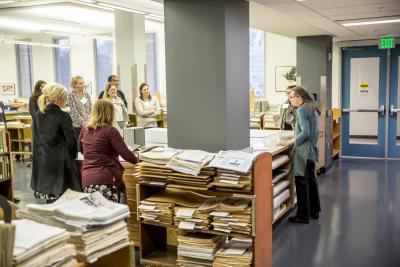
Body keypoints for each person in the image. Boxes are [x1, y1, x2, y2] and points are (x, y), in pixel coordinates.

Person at [78, 100, 138, 202]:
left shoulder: (85, 130)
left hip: (87, 180)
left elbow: (81, 149)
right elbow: (125, 154)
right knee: (110, 215)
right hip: (105, 179)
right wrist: (139, 160)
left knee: (95, 215)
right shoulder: (110, 131)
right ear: (109, 113)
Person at [31, 83, 81, 202]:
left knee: (51, 202)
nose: (66, 99)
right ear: (58, 98)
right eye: (65, 97)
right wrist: (74, 156)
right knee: (65, 202)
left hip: (43, 163)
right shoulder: (63, 116)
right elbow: (71, 142)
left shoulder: (38, 115)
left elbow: (35, 139)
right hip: (61, 165)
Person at [287, 86, 321, 224]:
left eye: (292, 97)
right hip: (312, 150)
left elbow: (305, 132)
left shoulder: (301, 109)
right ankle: (314, 211)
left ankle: (303, 216)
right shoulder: (312, 107)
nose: (290, 100)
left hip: (304, 152)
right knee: (311, 182)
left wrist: (292, 140)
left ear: (299, 98)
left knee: (301, 183)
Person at [68, 76, 92, 140]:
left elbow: (90, 108)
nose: (83, 85)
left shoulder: (86, 95)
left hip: (88, 123)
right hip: (77, 125)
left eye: (83, 83)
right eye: (80, 84)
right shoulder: (71, 95)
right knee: (79, 145)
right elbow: (74, 112)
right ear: (75, 85)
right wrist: (84, 123)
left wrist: (89, 121)